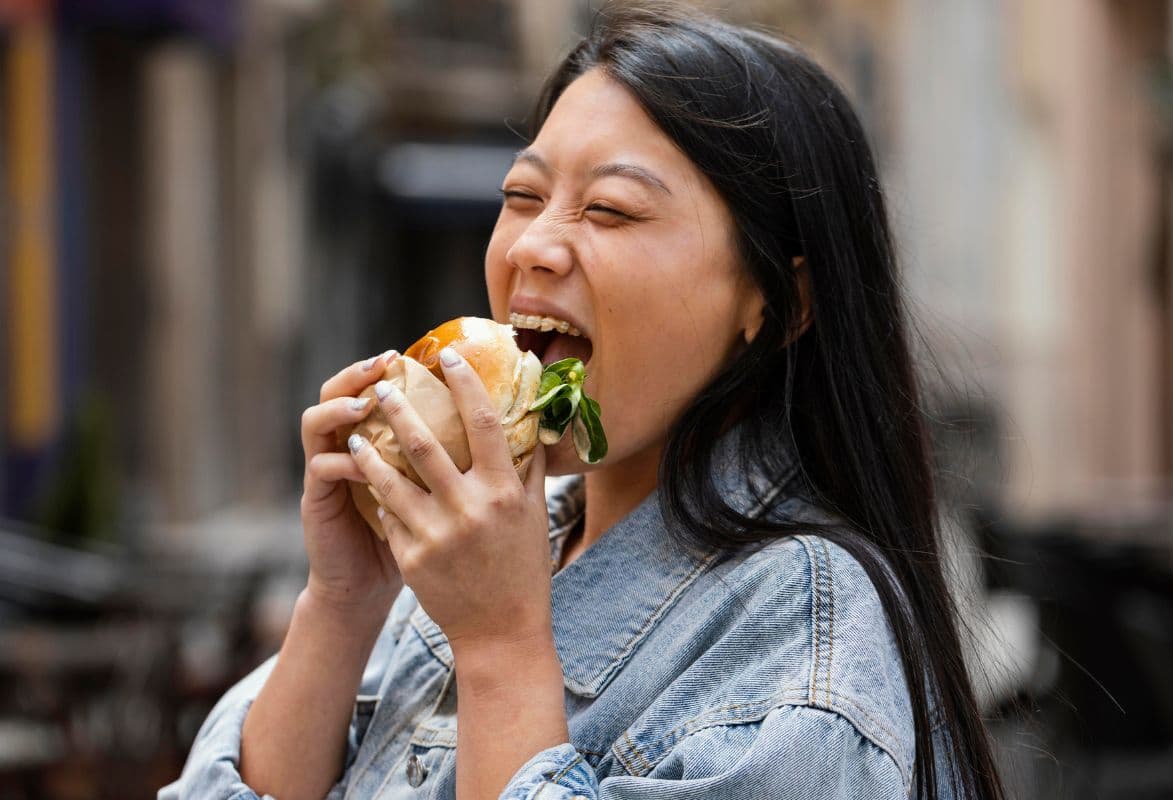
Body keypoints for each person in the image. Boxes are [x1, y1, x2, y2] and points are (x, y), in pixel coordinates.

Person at [162, 4, 1007, 799]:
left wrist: (501, 648)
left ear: (781, 304)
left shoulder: (804, 640)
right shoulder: (491, 546)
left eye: (610, 210)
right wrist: (345, 601)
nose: (532, 245)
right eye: (522, 198)